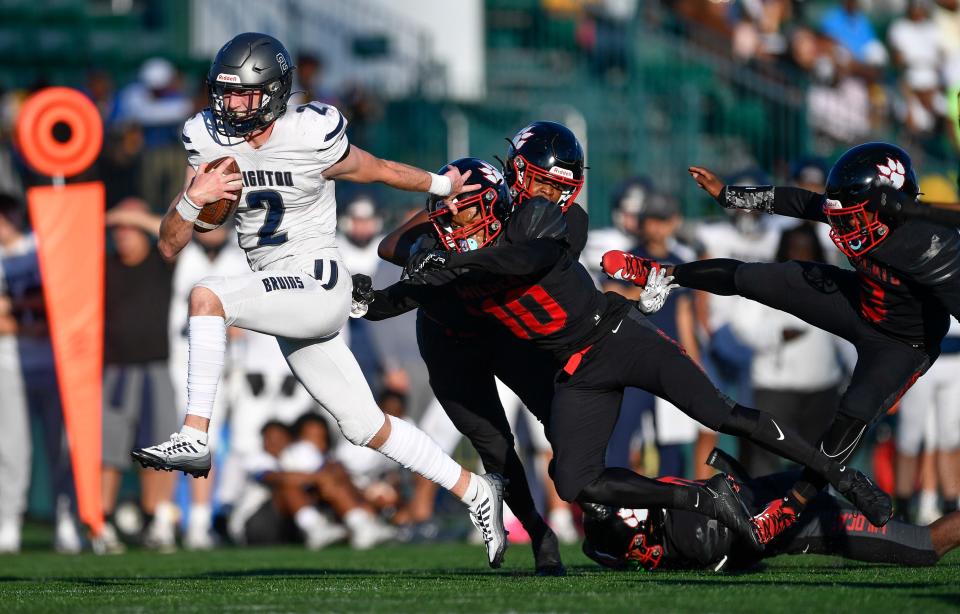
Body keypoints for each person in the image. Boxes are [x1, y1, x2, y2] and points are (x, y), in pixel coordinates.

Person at [356, 160, 888, 551]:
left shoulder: (533, 221)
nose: (456, 223)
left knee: (719, 413)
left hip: (617, 335)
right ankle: (703, 499)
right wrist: (369, 299)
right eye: (448, 213)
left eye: (466, 209)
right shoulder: (453, 265)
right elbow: (401, 296)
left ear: (494, 205)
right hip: (575, 373)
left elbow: (529, 256)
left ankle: (841, 476)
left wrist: (456, 267)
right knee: (574, 481)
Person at [128, 32, 507, 567]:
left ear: (277, 92)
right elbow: (169, 243)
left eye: (245, 94)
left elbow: (372, 168)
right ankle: (475, 489)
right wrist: (193, 198)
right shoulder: (206, 138)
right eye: (225, 93)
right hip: (282, 295)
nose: (231, 105)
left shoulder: (310, 131)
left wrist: (442, 188)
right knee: (363, 426)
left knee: (207, 294)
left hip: (317, 282)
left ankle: (194, 435)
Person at [606, 141, 960, 544]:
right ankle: (664, 274)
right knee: (759, 278)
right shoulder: (866, 215)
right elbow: (800, 202)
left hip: (904, 343)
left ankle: (790, 507)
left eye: (851, 218)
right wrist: (729, 195)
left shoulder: (937, 248)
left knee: (854, 412)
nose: (840, 228)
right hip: (860, 302)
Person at [372, 127, 590, 574]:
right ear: (516, 173)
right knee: (495, 446)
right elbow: (393, 244)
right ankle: (538, 531)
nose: (548, 195)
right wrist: (436, 245)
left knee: (563, 421)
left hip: (509, 331)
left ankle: (600, 511)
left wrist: (463, 260)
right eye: (542, 182)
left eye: (558, 187)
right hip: (449, 338)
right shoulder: (474, 198)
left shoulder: (562, 221)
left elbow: (525, 265)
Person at [581, 449, 960, 571]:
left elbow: (738, 546)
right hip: (766, 496)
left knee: (921, 547)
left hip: (786, 517)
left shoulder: (686, 532)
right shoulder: (644, 512)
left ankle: (837, 470)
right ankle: (836, 470)